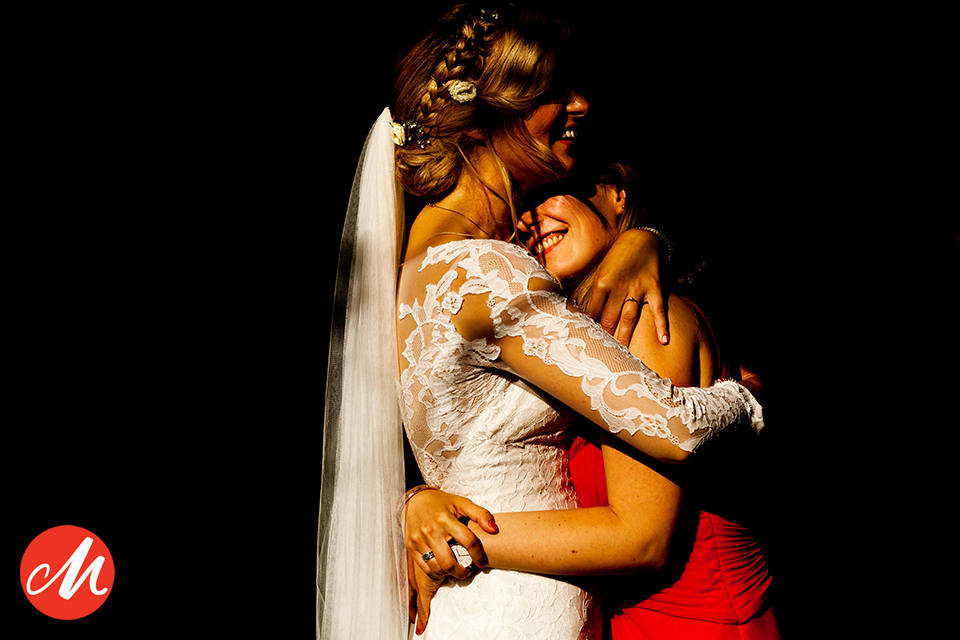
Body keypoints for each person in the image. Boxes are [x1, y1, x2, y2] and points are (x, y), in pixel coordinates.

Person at [316, 5, 763, 639]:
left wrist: (647, 240)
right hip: (515, 612)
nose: (581, 104)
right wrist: (748, 399)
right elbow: (676, 431)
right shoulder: (487, 273)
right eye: (552, 90)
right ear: (482, 121)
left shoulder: (415, 269)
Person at [406, 162, 781, 638]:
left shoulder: (645, 321)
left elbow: (643, 540)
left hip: (697, 622)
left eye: (556, 191)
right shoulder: (580, 347)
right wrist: (419, 501)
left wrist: (450, 542)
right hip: (627, 620)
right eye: (524, 205)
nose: (532, 218)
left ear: (618, 194)